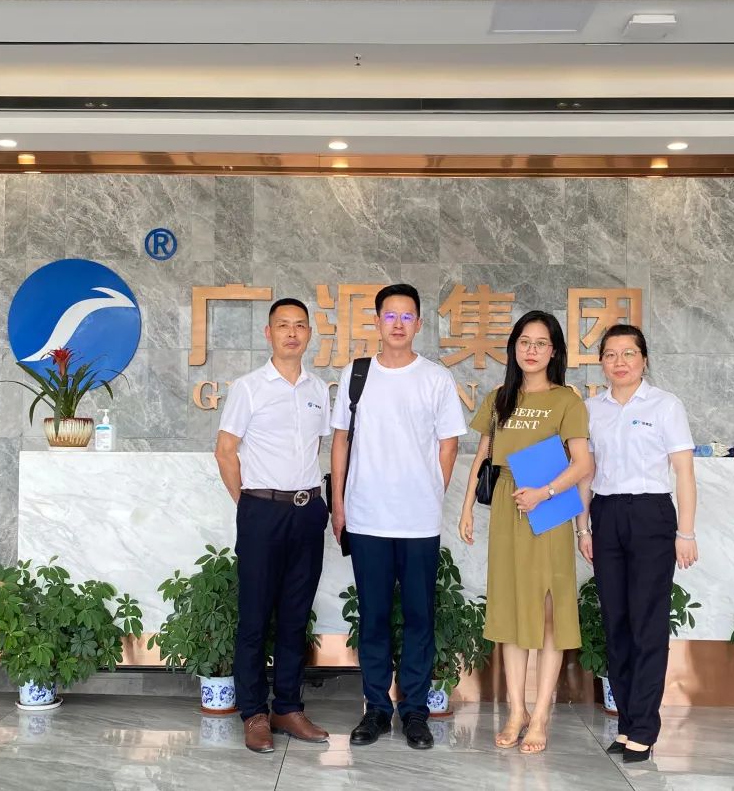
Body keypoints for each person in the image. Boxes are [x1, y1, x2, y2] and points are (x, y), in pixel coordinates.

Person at [330, 283, 467, 750]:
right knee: (372, 617)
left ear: (419, 324)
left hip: (417, 522)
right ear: (376, 321)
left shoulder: (435, 378)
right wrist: (340, 504)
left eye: (407, 316)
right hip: (366, 517)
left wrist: (429, 491)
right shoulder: (357, 374)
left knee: (418, 618)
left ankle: (415, 712)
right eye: (390, 315)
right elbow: (341, 441)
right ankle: (375, 709)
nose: (398, 324)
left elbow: (449, 444)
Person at [458, 310, 594, 754]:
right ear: (514, 347)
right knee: (512, 609)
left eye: (541, 343)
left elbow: (583, 463)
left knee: (548, 611)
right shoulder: (499, 397)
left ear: (554, 352)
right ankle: (516, 710)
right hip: (506, 505)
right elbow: (483, 455)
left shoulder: (567, 400)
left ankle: (541, 714)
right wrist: (466, 508)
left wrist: (544, 492)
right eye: (524, 342)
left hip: (548, 509)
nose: (531, 350)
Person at [215, 298, 333, 754]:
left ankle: (287, 707)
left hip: (308, 510)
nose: (292, 333)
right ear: (269, 333)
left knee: (295, 615)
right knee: (255, 615)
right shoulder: (249, 388)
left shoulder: (318, 388)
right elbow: (226, 451)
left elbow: (315, 448)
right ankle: (254, 712)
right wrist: (248, 504)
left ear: (309, 335)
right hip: (262, 511)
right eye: (283, 325)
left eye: (300, 325)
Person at [577, 324, 698, 763]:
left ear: (644, 359)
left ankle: (644, 728)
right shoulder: (591, 409)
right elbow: (586, 474)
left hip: (651, 515)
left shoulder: (665, 405)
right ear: (601, 363)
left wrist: (686, 532)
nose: (620, 362)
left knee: (647, 624)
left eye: (629, 353)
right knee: (616, 623)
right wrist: (583, 528)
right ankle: (627, 723)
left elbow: (684, 472)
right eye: (611, 354)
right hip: (606, 515)